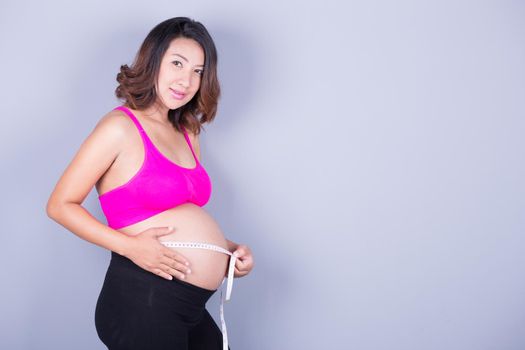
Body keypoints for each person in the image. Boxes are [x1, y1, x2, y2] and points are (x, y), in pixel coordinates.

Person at [46, 16, 254, 350]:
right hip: (143, 297)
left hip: (187, 304)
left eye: (198, 71)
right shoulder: (119, 127)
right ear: (153, 62)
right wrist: (129, 247)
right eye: (177, 63)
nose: (186, 80)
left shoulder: (189, 132)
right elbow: (59, 205)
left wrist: (227, 250)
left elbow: (174, 217)